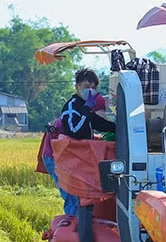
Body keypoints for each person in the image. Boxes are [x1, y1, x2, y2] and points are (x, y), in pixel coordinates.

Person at [36, 69, 113, 216]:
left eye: (93, 88)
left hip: (71, 156)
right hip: (56, 157)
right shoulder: (72, 108)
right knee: (72, 196)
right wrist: (87, 109)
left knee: (82, 195)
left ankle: (81, 227)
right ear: (77, 86)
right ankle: (74, 230)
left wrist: (119, 129)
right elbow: (75, 131)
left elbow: (99, 124)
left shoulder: (85, 107)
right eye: (86, 87)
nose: (90, 91)